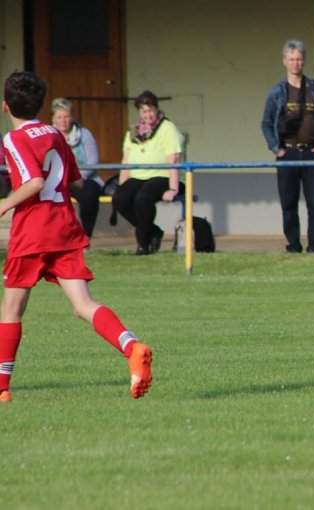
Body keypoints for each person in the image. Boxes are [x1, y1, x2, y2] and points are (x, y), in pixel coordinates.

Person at [0, 71, 152, 402]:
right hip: (65, 227)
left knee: (11, 309)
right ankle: (132, 346)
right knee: (83, 304)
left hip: (33, 230)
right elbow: (77, 183)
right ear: (42, 105)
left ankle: (2, 390)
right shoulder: (55, 133)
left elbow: (34, 183)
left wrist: (4, 205)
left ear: (5, 106)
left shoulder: (13, 139)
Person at [261, 39, 314, 254]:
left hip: (313, 153)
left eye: (299, 59)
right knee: (288, 203)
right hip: (288, 152)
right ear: (285, 61)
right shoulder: (277, 92)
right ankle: (293, 245)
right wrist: (277, 149)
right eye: (292, 59)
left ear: (304, 61)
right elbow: (266, 123)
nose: (296, 63)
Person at [112, 90, 184, 255]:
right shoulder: (133, 131)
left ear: (157, 109)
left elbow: (174, 160)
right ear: (139, 112)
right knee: (120, 198)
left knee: (142, 198)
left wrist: (173, 189)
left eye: (151, 110)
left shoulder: (167, 128)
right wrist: (122, 186)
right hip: (139, 176)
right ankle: (153, 231)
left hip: (163, 175)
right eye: (144, 111)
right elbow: (126, 161)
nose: (148, 115)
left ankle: (143, 243)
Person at [51, 98, 102, 239]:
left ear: (72, 117)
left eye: (66, 117)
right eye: (59, 117)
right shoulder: (49, 135)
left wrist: (75, 178)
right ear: (53, 119)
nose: (63, 121)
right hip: (57, 179)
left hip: (83, 178)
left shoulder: (84, 134)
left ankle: (86, 237)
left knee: (89, 196)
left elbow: (92, 162)